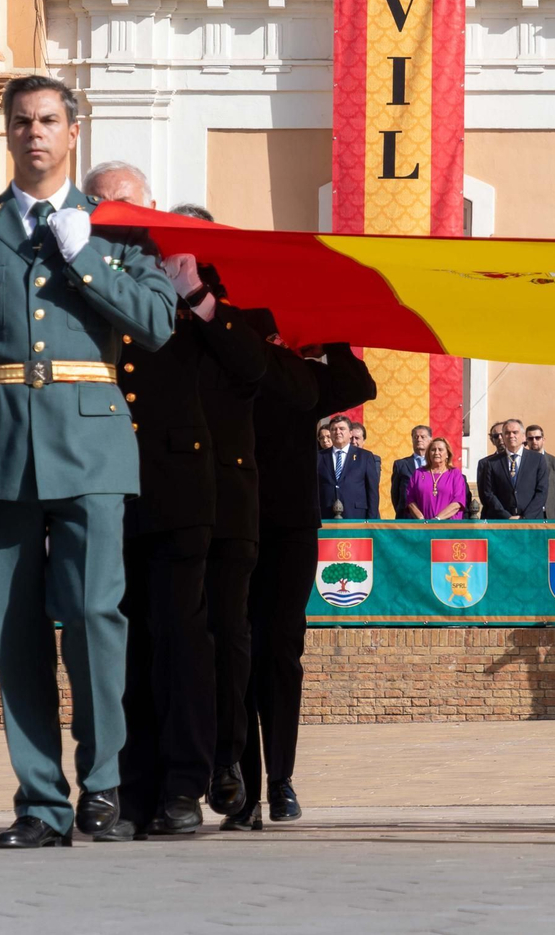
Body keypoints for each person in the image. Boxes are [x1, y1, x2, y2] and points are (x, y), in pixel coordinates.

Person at [0, 74, 176, 848]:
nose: (35, 132)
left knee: (97, 615)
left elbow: (159, 324)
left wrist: (87, 255)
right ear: (8, 134)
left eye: (49, 120)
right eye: (22, 121)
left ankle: (103, 786)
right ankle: (40, 801)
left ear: (73, 131)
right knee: (13, 627)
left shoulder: (120, 230)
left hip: (91, 445)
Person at [86, 164, 268, 842]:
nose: (112, 214)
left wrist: (194, 294)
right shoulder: (82, 269)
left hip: (180, 493)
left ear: (152, 209)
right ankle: (128, 792)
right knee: (120, 650)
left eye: (125, 204)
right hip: (104, 486)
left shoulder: (196, 278)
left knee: (182, 643)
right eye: (102, 204)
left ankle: (184, 786)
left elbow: (250, 367)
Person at [233, 327, 373, 830]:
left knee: (281, 652)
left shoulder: (298, 378)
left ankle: (280, 781)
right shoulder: (225, 367)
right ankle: (242, 788)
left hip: (290, 528)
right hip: (233, 527)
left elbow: (359, 385)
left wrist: (333, 340)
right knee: (236, 654)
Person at [477, 419, 548, 520]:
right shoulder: (492, 462)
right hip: (502, 521)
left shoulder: (538, 459)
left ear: (523, 437)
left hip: (531, 521)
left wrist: (525, 517)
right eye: (507, 433)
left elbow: (542, 491)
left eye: (515, 432)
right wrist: (507, 516)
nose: (511, 436)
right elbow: (489, 493)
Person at [317, 415, 381, 520]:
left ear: (350, 433)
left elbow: (372, 491)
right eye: (333, 429)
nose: (337, 432)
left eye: (342, 429)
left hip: (356, 516)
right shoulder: (320, 457)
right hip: (326, 516)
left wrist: (371, 520)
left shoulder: (365, 456)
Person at [405, 437, 469, 519]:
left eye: (440, 450)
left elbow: (457, 502)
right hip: (424, 526)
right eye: (433, 450)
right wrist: (421, 519)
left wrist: (437, 519)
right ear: (428, 454)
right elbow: (410, 500)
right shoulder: (418, 473)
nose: (436, 452)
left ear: (447, 454)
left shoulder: (455, 474)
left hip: (448, 526)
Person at [389, 425, 431, 519]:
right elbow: (395, 494)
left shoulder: (435, 465)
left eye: (422, 437)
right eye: (416, 437)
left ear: (430, 440)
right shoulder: (401, 464)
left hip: (430, 517)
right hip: (406, 517)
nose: (419, 439)